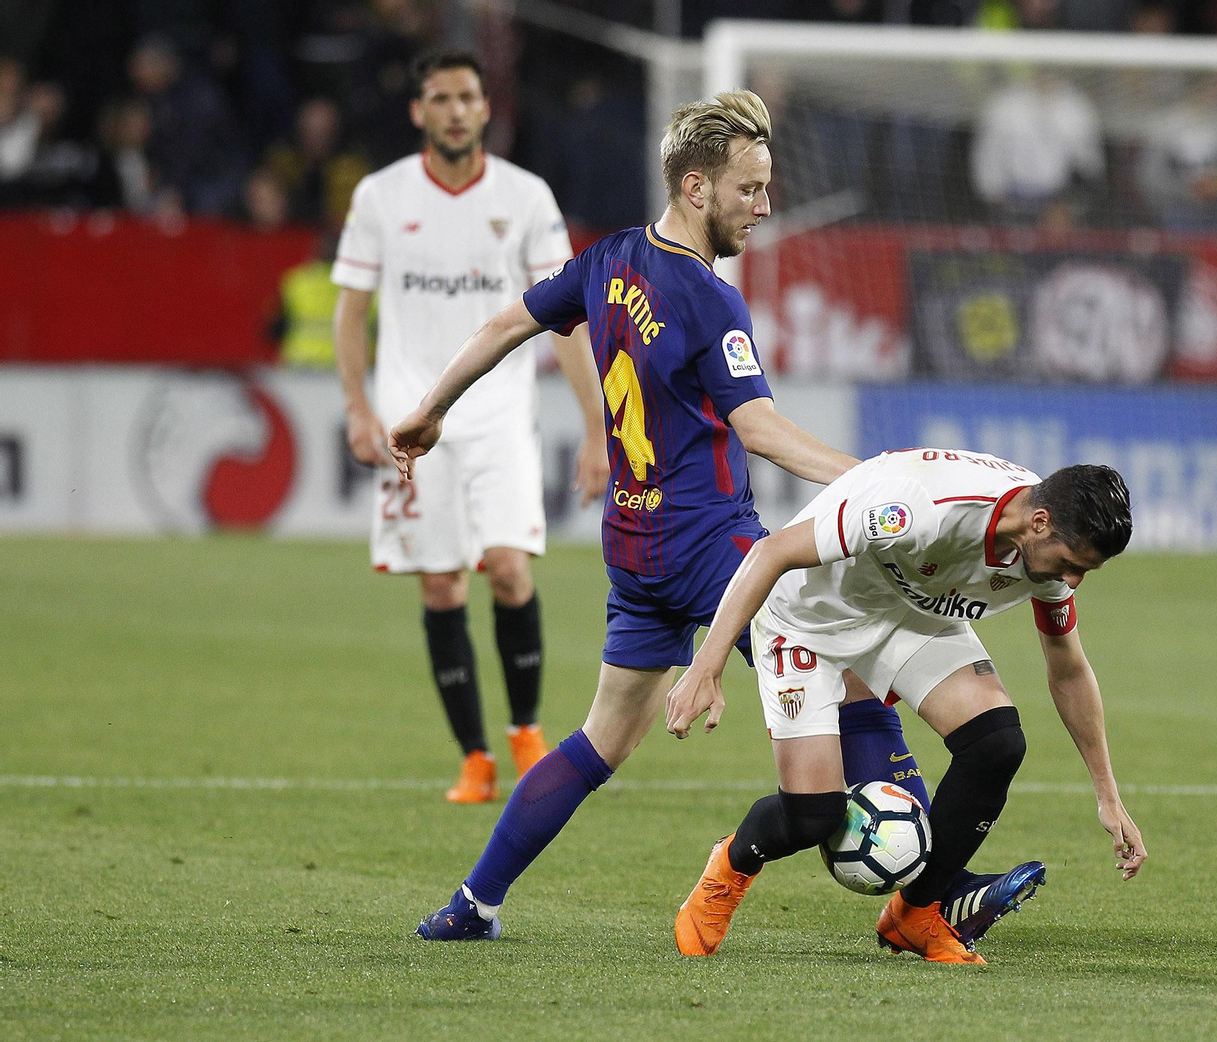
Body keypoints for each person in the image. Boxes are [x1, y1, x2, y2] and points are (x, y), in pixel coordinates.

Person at [392, 90, 1047, 948]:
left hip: (633, 552)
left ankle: (473, 904)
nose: (765, 206)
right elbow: (759, 428)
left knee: (600, 740)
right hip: (715, 548)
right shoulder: (708, 299)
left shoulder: (609, 259)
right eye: (751, 188)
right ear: (697, 187)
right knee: (850, 669)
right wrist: (880, 481)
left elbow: (507, 321)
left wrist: (430, 408)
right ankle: (936, 893)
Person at [666, 451, 1148, 964]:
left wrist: (1108, 794)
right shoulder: (921, 508)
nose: (1071, 582)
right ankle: (731, 865)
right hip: (809, 618)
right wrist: (706, 664)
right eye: (1072, 566)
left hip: (908, 613)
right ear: (1039, 523)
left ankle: (917, 913)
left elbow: (1068, 668)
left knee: (996, 744)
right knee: (814, 815)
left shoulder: (1047, 546)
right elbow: (771, 552)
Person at [332, 48, 609, 804]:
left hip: (498, 421)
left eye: (467, 97)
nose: (455, 110)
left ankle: (525, 734)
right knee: (441, 585)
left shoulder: (525, 197)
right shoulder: (381, 197)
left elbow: (566, 320)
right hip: (410, 423)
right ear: (419, 111)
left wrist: (595, 426)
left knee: (510, 569)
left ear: (486, 109)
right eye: (441, 98)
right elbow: (351, 310)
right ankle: (474, 758)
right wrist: (358, 406)